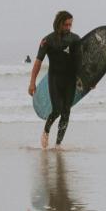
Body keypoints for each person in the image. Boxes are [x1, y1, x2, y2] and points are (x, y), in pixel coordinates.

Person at [28, 11, 83, 149]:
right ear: (58, 23)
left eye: (70, 24)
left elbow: (81, 63)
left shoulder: (75, 39)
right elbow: (38, 62)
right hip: (55, 78)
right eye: (65, 24)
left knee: (66, 112)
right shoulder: (47, 40)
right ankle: (46, 130)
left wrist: (89, 80)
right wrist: (32, 82)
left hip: (70, 80)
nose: (68, 27)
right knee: (57, 109)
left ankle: (58, 145)